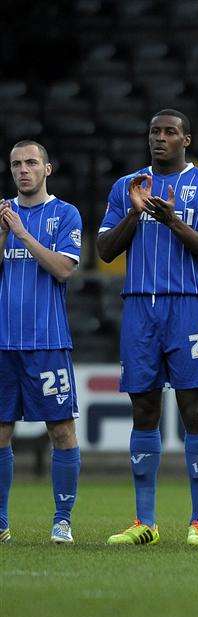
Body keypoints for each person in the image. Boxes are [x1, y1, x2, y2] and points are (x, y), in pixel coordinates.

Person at [97, 109, 198, 546]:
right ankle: (145, 522)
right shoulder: (127, 186)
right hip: (139, 307)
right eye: (154, 131)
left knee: (195, 411)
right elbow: (103, 249)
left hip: (188, 307)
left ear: (186, 139)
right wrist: (135, 215)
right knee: (144, 409)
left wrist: (173, 221)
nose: (160, 138)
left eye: (169, 132)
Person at [0, 140, 83, 544]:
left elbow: (63, 269)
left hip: (47, 340)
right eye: (16, 164)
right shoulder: (1, 213)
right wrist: (3, 234)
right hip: (3, 344)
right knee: (0, 432)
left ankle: (62, 519)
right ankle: (1, 523)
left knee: (62, 432)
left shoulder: (65, 214)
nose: (23, 170)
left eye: (31, 162)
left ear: (48, 168)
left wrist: (22, 234)